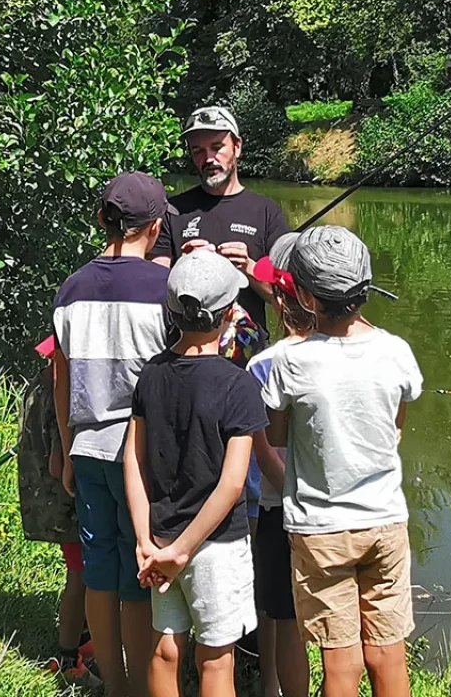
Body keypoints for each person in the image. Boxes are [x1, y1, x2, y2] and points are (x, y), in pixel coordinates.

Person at [259, 226, 421, 697]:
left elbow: (277, 437)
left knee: (341, 661)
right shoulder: (397, 352)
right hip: (386, 520)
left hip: (320, 528)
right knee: (388, 653)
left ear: (305, 296)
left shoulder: (290, 363)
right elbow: (395, 432)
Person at [53, 172, 175, 697]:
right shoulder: (163, 290)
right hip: (138, 460)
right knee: (138, 572)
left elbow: (61, 380)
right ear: (153, 226)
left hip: (84, 449)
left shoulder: (71, 288)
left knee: (99, 568)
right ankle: (146, 684)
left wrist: (63, 450)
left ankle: (115, 683)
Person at [125, 250, 268, 697]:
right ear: (229, 315)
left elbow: (133, 459)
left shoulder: (151, 374)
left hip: (162, 537)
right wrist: (183, 551)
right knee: (216, 657)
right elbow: (232, 484)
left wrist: (146, 540)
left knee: (166, 648)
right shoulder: (238, 384)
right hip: (214, 546)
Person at [244, 234, 312, 697]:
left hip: (274, 506)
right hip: (336, 508)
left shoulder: (265, 365)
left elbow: (261, 448)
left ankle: (271, 685)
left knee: (277, 609)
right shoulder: (356, 353)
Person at [151, 107, 291, 331]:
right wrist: (183, 268)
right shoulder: (174, 210)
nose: (208, 159)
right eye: (198, 151)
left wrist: (248, 266)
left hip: (247, 357)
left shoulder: (266, 212)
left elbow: (288, 296)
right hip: (186, 353)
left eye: (217, 148)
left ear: (237, 147)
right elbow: (154, 291)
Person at [17, 333, 96, 683]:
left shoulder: (45, 385)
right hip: (71, 501)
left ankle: (84, 639)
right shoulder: (57, 395)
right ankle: (67, 655)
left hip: (64, 500)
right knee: (82, 578)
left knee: (84, 576)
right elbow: (55, 462)